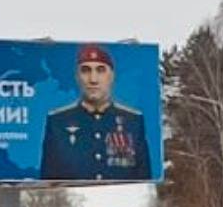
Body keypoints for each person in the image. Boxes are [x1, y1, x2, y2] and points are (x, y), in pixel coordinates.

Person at [40, 44, 152, 181]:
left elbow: (144, 179)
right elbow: (48, 180)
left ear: (111, 76)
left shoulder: (133, 121)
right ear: (77, 76)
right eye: (86, 71)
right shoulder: (57, 121)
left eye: (100, 70)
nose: (93, 79)